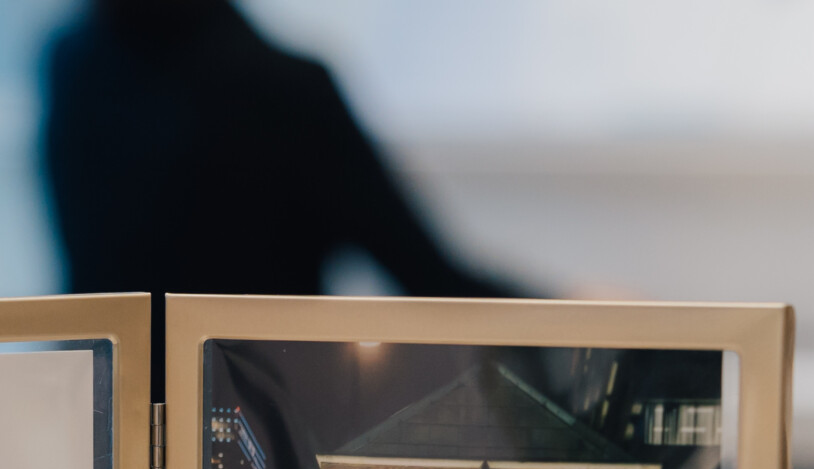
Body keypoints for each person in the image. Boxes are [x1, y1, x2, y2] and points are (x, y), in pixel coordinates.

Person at [39, 0, 518, 299]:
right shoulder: (289, 90)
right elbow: (430, 281)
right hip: (258, 421)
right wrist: (550, 317)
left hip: (97, 413)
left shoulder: (70, 65)